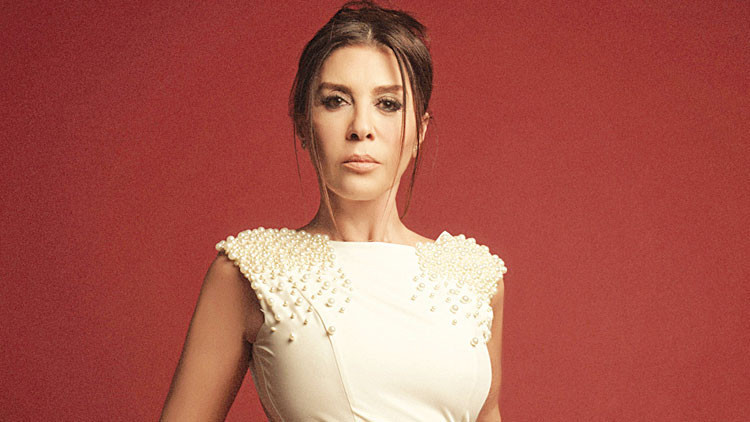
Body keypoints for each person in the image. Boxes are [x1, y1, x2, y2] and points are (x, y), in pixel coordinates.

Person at [161, 1, 508, 421]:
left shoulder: (474, 278)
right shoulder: (249, 272)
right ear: (303, 125)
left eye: (388, 104)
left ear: (420, 130)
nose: (361, 127)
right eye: (336, 100)